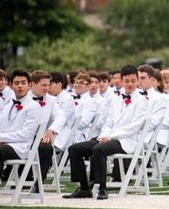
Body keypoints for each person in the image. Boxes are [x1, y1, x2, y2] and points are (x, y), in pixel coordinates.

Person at [63, 65, 148, 200]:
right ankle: (84, 188)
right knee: (74, 149)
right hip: (108, 137)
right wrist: (104, 135)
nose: (130, 84)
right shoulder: (116, 99)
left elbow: (134, 127)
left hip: (126, 141)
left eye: (133, 81)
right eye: (127, 81)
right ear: (121, 81)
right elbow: (108, 123)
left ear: (137, 80)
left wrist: (110, 136)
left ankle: (102, 188)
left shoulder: (142, 101)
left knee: (99, 149)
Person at [0, 70, 41, 208]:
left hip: (20, 147)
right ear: (11, 85)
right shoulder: (8, 104)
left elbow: (26, 134)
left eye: (23, 83)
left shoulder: (34, 106)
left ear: (29, 85)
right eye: (16, 83)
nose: (20, 86)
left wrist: (2, 137)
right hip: (2, 143)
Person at [27, 70, 66, 190]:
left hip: (39, 136)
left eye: (48, 85)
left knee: (47, 147)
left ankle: (40, 182)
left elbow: (61, 117)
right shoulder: (22, 98)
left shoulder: (51, 100)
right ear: (33, 84)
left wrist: (51, 130)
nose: (47, 88)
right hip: (20, 137)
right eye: (44, 85)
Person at [48, 72, 76, 152]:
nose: (47, 87)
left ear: (59, 84)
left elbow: (60, 121)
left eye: (50, 84)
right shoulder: (48, 97)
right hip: (46, 132)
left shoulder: (67, 100)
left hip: (59, 135)